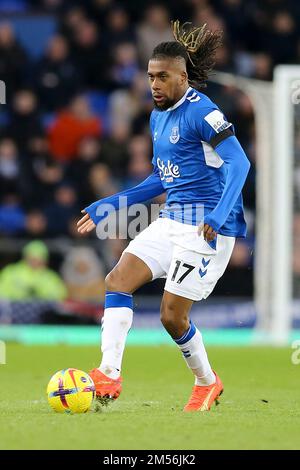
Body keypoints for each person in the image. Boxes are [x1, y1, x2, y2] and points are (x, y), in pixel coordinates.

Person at [77, 21, 250, 412]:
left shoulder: (203, 113)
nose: (154, 84)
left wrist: (220, 215)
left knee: (172, 316)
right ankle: (108, 373)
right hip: (173, 219)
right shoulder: (157, 117)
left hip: (207, 227)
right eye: (150, 76)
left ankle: (206, 382)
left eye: (162, 77)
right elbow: (162, 177)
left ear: (182, 77)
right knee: (117, 278)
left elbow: (239, 163)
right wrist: (113, 203)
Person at [0, 240, 67, 301]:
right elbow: (2, 291)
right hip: (13, 310)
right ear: (25, 257)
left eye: (39, 259)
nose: (35, 262)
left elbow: (60, 296)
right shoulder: (10, 272)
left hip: (43, 312)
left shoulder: (51, 277)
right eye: (32, 258)